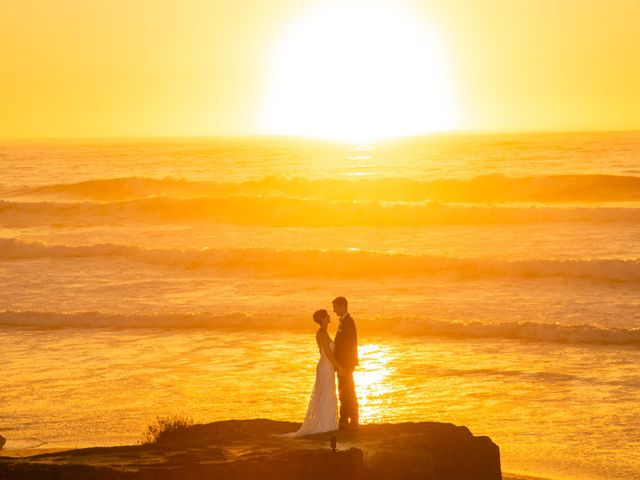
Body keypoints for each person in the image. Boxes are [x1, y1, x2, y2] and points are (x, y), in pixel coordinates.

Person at [282, 309, 343, 436]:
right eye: (326, 315)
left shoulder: (324, 332)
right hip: (326, 367)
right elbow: (327, 353)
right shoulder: (321, 333)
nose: (329, 316)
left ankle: (328, 423)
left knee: (328, 393)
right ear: (322, 319)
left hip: (327, 366)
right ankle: (325, 425)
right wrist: (339, 366)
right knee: (326, 394)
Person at [332, 296, 359, 430]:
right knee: (343, 391)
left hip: (346, 364)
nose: (334, 310)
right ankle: (345, 417)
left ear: (342, 306)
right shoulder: (343, 322)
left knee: (348, 391)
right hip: (342, 364)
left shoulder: (349, 322)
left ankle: (353, 418)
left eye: (335, 307)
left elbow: (350, 344)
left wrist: (345, 365)